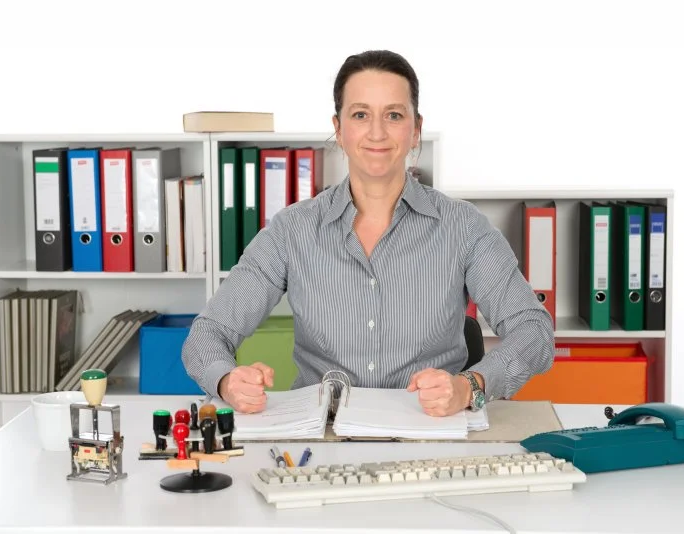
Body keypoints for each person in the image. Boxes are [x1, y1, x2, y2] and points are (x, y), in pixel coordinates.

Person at [182, 49, 554, 417]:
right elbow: (207, 334)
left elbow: (534, 330)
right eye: (361, 114)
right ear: (339, 129)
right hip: (324, 435)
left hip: (432, 431)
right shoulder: (291, 231)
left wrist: (469, 387)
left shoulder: (464, 227)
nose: (377, 132)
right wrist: (227, 381)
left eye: (394, 115)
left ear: (415, 130)